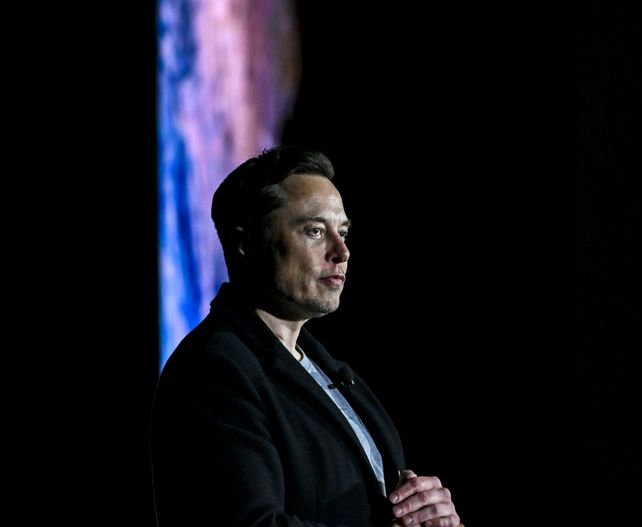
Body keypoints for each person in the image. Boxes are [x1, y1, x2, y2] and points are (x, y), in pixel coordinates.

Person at [150, 145, 462, 527]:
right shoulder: (214, 371)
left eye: (342, 232)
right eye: (314, 231)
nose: (342, 251)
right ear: (247, 244)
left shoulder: (329, 370)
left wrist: (435, 517)